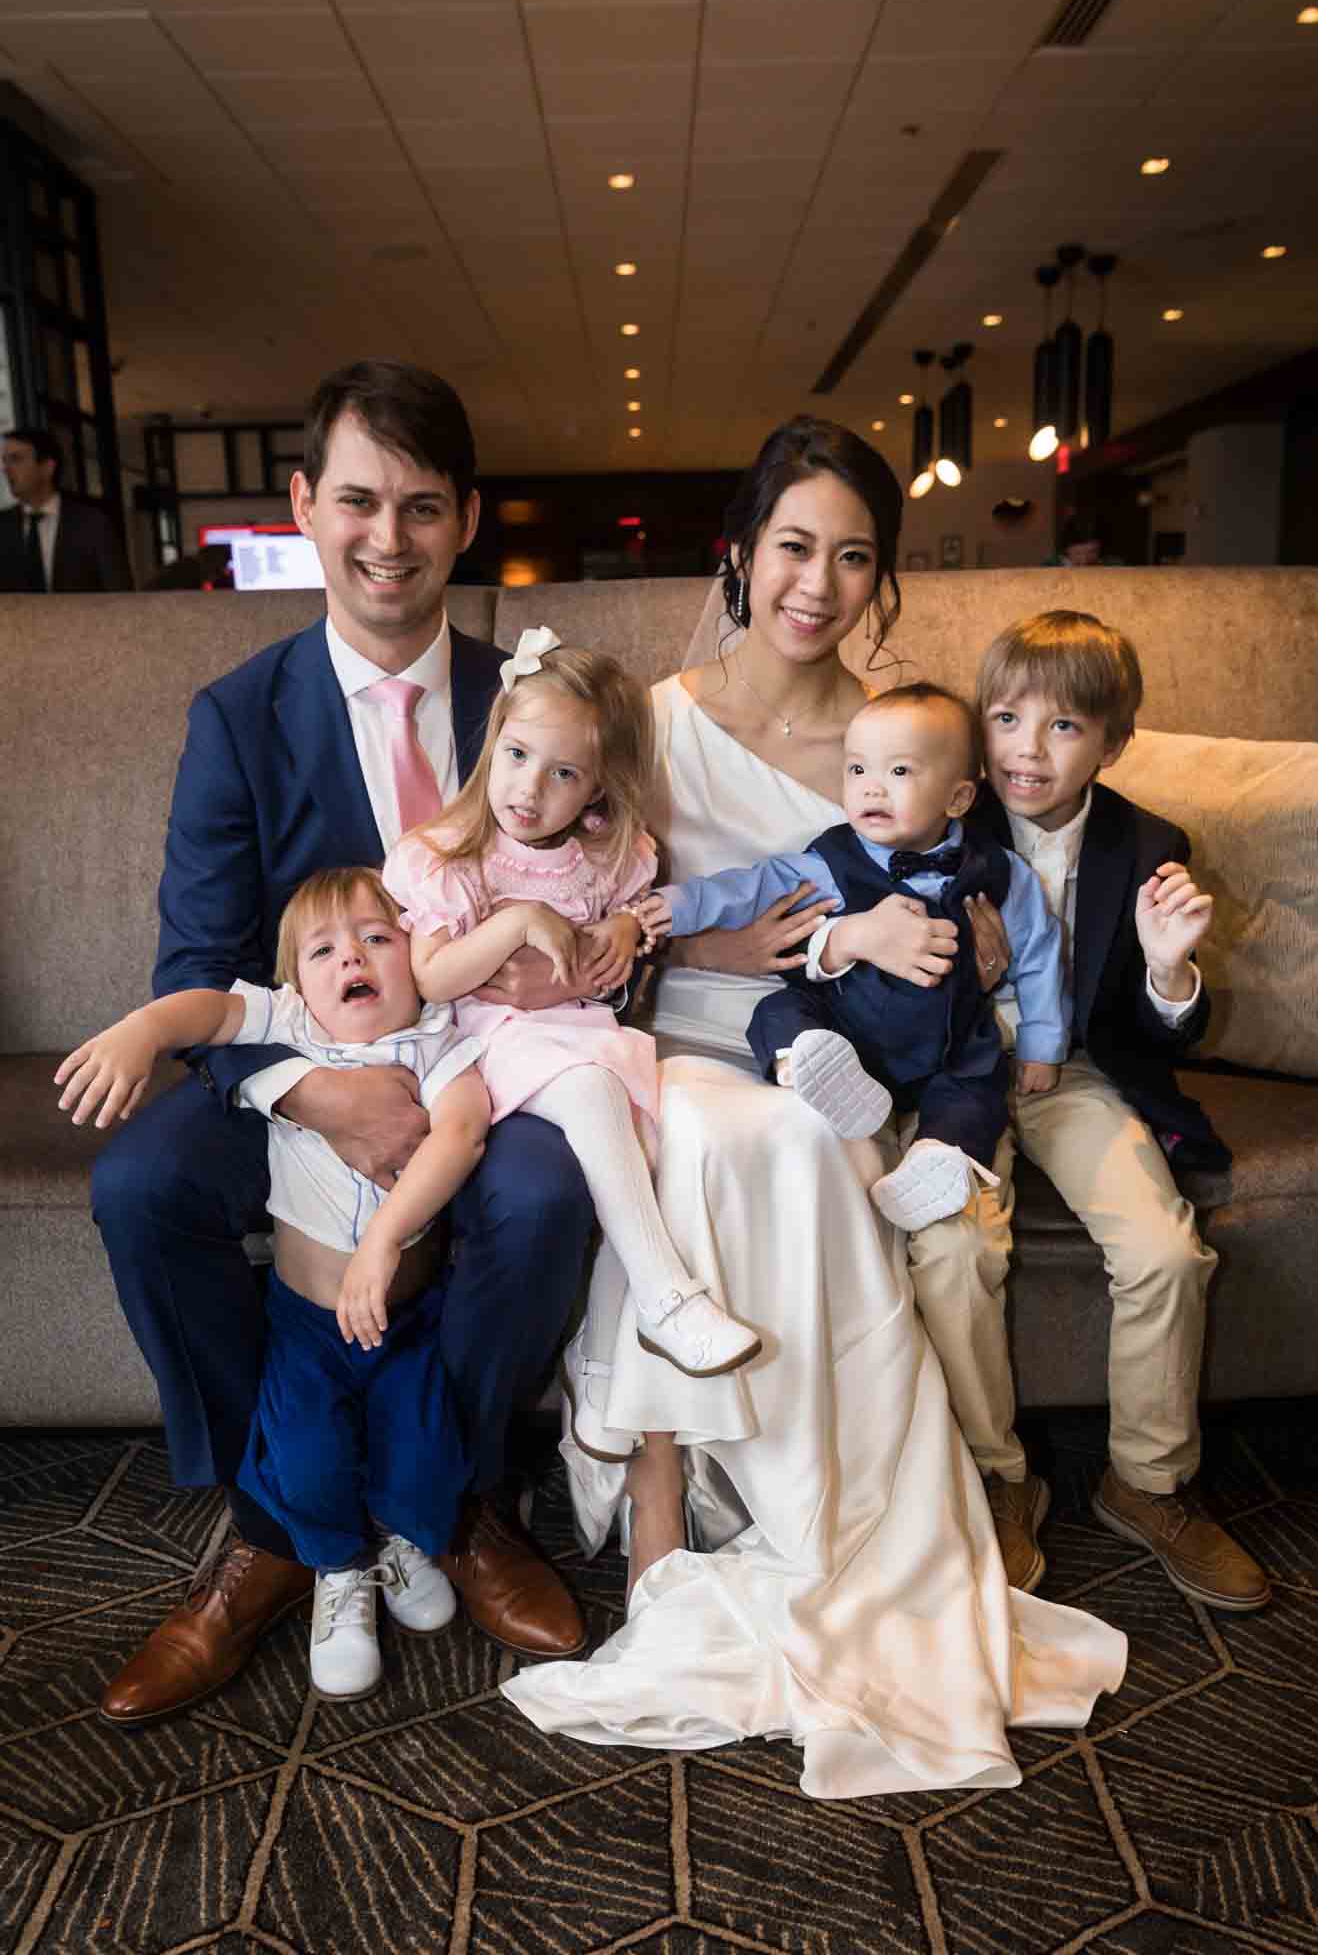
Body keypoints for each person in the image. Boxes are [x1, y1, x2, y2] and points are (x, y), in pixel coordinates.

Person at [502, 417, 1128, 1800]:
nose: (818, 581)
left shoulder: (904, 740)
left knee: (790, 1136)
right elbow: (594, 905)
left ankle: (824, 1505)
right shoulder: (655, 721)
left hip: (865, 1043)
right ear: (740, 551)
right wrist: (708, 951)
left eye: (854, 556)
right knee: (734, 1135)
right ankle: (665, 1482)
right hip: (687, 1030)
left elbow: (983, 907)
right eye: (795, 545)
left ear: (879, 579)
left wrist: (970, 959)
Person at [90, 359, 591, 1730]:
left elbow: (602, 886)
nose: (388, 538)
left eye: (422, 508)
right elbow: (197, 970)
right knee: (140, 1188)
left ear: (467, 520)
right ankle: (273, 1521)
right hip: (289, 1059)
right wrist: (321, 1095)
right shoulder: (236, 719)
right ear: (305, 505)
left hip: (488, 1055)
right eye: (359, 501)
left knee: (544, 1195)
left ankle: (464, 1497)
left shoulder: (529, 706)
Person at [58, 868, 488, 1704]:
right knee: (305, 1455)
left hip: (403, 1316)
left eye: (376, 938)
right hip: (307, 1324)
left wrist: (385, 1242)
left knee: (423, 1445)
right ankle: (335, 1569)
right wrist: (142, 1031)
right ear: (296, 983)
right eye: (323, 950)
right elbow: (210, 1009)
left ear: (419, 955)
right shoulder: (292, 1023)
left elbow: (461, 1136)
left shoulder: (442, 1040)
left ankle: (402, 1536)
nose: (350, 959)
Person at [922, 610, 1268, 1610]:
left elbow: (1158, 1034)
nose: (1026, 747)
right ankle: (996, 1475)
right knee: (950, 1250)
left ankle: (1147, 1484)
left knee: (1164, 1248)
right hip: (962, 1072)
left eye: (1063, 726)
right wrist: (963, 980)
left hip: (1073, 1075)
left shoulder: (1150, 841)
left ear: (1111, 742)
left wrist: (1168, 970)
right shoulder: (940, 816)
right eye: (1005, 717)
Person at [383, 632, 760, 1462]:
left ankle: (606, 1375)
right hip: (480, 1042)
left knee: (638, 1150)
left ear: (596, 788)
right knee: (593, 1095)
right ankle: (666, 1299)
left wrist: (625, 925)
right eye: (517, 755)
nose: (530, 789)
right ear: (493, 743)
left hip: (579, 1029)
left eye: (563, 774)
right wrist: (517, 920)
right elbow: (438, 978)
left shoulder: (607, 855)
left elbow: (623, 929)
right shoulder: (447, 856)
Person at [638, 682, 1066, 1233]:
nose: (872, 790)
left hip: (950, 1044)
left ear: (958, 799)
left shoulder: (1001, 872)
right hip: (849, 1033)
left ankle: (935, 1162)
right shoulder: (832, 859)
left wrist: (1043, 1044)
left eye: (900, 772)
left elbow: (1039, 953)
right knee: (778, 1013)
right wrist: (674, 906)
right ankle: (804, 1063)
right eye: (858, 771)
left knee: (975, 1093)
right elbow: (748, 888)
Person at [0, 427, 133, 592]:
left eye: (16, 459)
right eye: (5, 461)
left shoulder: (93, 523)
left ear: (47, 467)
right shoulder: (3, 526)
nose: (5, 469)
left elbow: (119, 593)